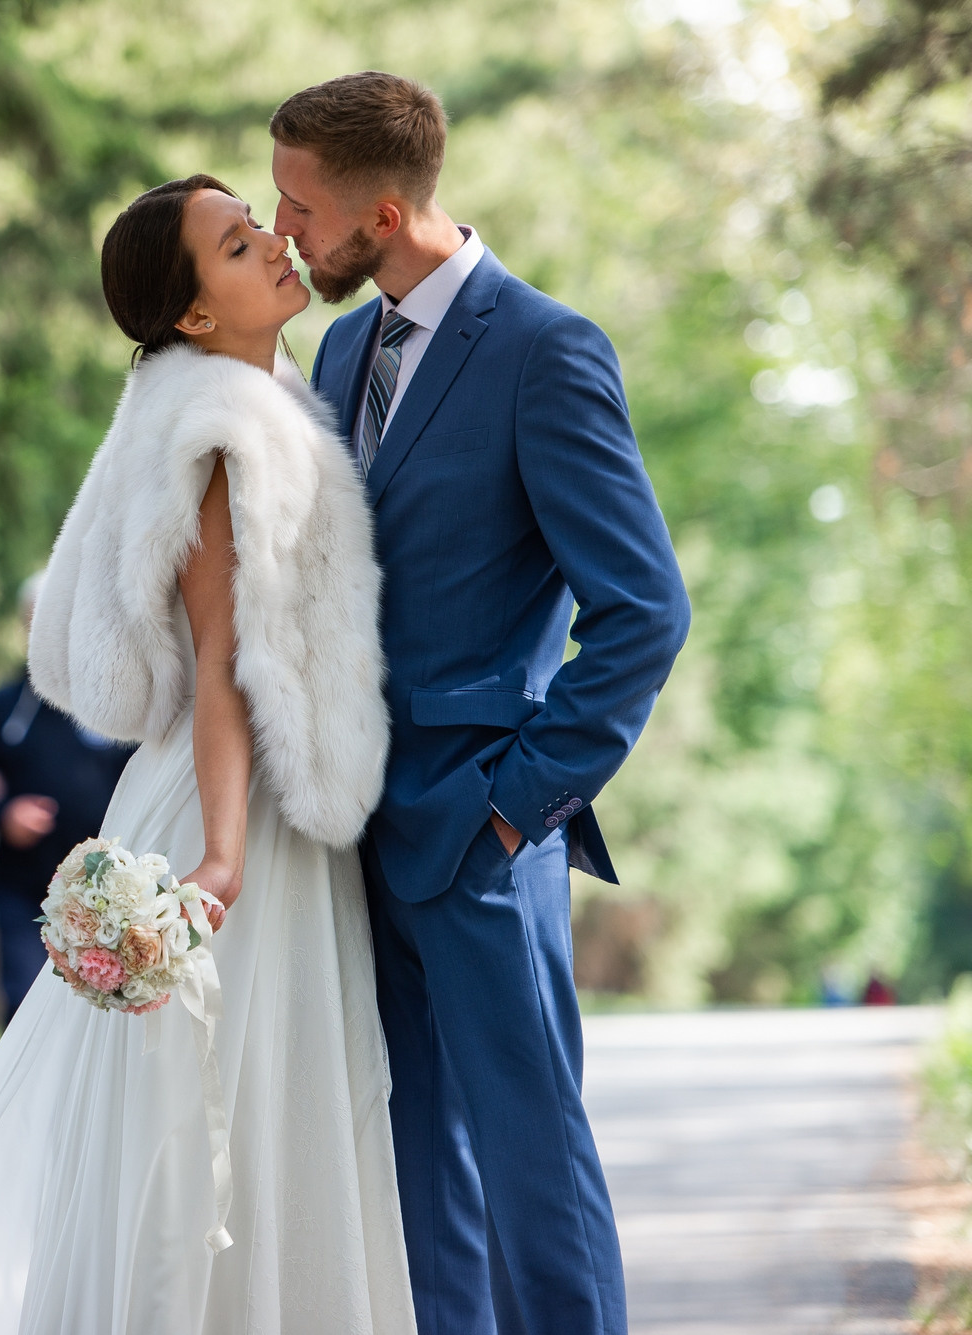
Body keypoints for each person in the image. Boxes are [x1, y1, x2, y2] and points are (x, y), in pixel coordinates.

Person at [0, 174, 416, 1333]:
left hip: (221, 782)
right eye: (233, 243)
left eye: (256, 223)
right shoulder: (222, 429)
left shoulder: (243, 401)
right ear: (196, 316)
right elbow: (224, 659)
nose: (272, 242)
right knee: (226, 1112)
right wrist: (219, 855)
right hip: (235, 803)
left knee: (247, 1106)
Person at [279, 73, 691, 1335]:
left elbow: (643, 611)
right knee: (415, 1179)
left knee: (529, 1173)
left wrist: (518, 808)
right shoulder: (345, 344)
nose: (282, 227)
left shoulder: (544, 350)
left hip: (477, 837)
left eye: (300, 207)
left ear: (386, 212)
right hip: (354, 833)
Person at [0, 571, 138, 1025]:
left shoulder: (117, 691)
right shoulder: (8, 703)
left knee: (96, 1013)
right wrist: (4, 811)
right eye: (36, 620)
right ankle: (18, 1098)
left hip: (105, 889)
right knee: (22, 1000)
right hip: (25, 888)